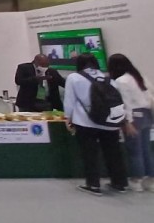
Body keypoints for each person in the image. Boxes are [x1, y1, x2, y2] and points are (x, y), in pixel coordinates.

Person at [64, 53, 128, 196]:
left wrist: (68, 117)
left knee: (89, 154)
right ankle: (119, 183)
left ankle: (93, 184)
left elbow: (69, 101)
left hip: (85, 122)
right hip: (110, 122)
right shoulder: (107, 78)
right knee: (113, 153)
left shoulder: (74, 78)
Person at [108, 54, 154, 192]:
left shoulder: (121, 81)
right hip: (146, 115)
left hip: (133, 116)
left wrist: (128, 121)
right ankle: (151, 180)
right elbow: (150, 96)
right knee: (146, 150)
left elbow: (125, 102)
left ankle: (137, 180)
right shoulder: (139, 77)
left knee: (135, 151)